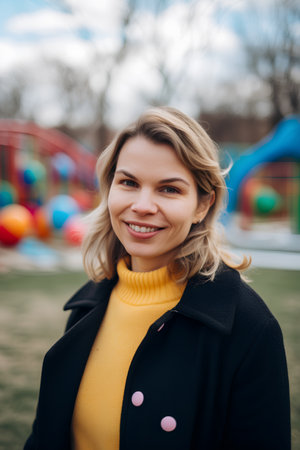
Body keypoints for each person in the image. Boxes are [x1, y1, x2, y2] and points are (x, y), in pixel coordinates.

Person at [24, 106, 291, 450]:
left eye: (169, 189)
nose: (143, 205)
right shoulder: (86, 307)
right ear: (109, 190)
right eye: (129, 183)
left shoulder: (250, 329)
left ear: (203, 204)